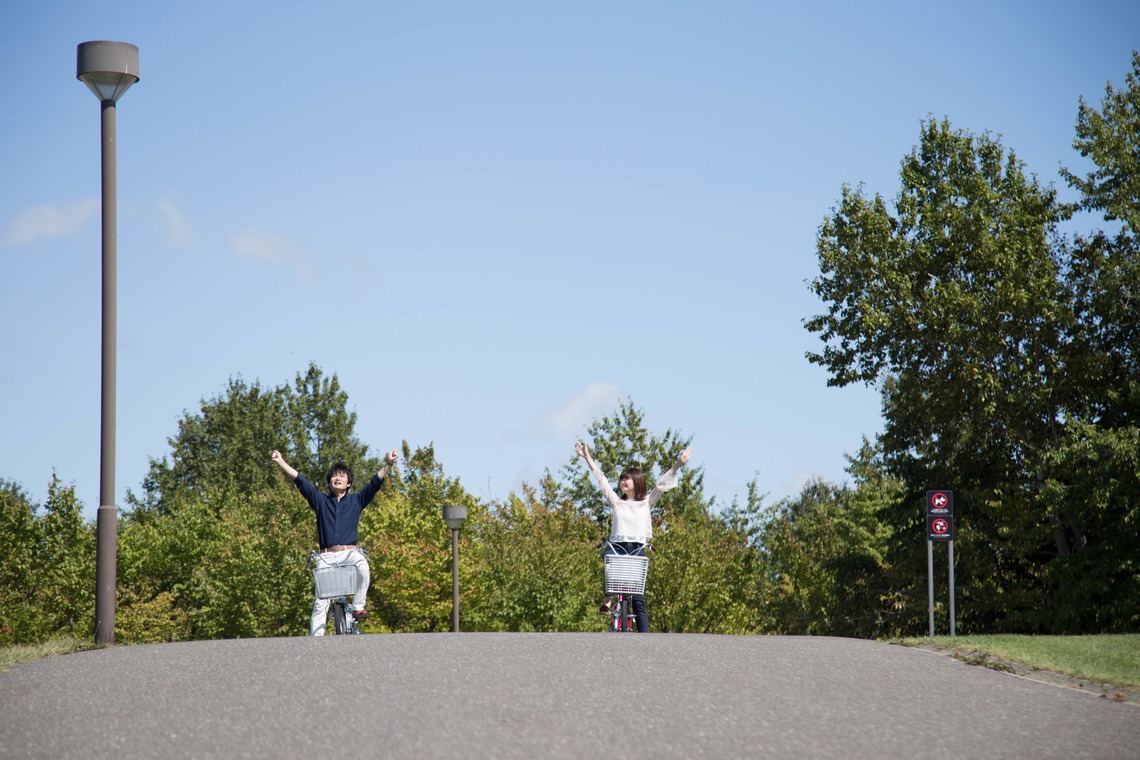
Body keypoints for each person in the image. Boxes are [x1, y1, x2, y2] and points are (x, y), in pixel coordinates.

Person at [271, 447, 398, 636]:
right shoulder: (320, 501)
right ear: (329, 482)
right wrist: (281, 462)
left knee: (363, 565)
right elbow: (301, 480)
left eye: (341, 476)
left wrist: (388, 463)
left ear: (348, 484)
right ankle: (317, 643)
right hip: (326, 557)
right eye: (334, 477)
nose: (337, 479)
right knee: (320, 603)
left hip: (349, 554)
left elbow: (375, 483)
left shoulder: (356, 501)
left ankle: (358, 607)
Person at [575, 440, 693, 633]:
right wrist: (587, 457)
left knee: (638, 600)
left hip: (637, 548)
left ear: (636, 482)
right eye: (622, 478)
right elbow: (601, 479)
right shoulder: (616, 502)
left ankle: (644, 639)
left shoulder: (647, 502)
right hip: (618, 547)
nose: (622, 481)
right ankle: (608, 600)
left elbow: (662, 485)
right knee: (609, 564)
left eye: (626, 479)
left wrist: (678, 464)